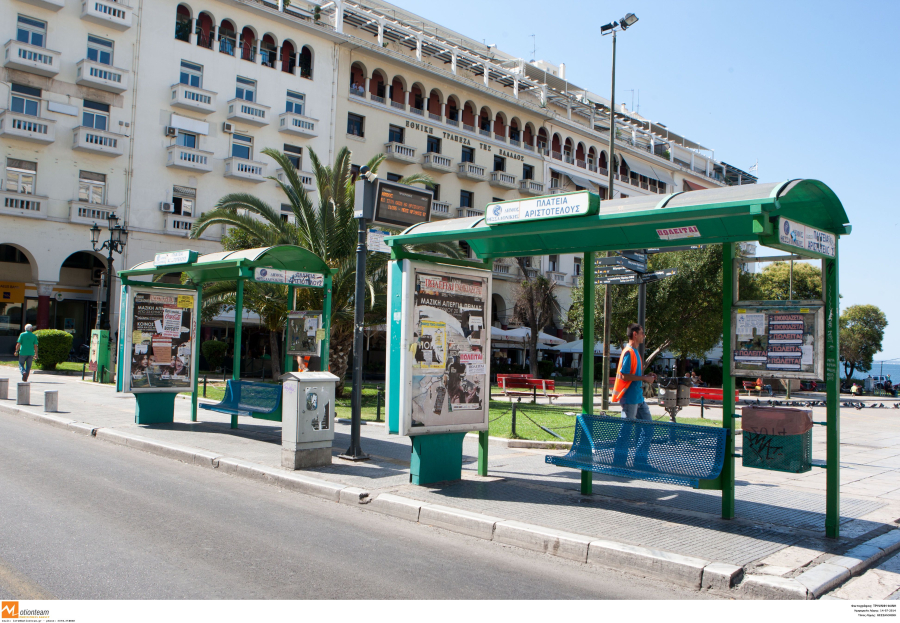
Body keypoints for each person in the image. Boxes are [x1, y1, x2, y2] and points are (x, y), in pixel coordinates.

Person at [612, 323, 657, 468]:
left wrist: (645, 376)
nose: (644, 335)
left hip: (637, 398)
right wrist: (644, 378)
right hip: (630, 398)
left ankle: (640, 461)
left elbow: (633, 375)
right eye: (642, 333)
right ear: (635, 334)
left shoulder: (635, 352)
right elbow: (624, 376)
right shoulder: (629, 352)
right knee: (626, 430)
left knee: (648, 428)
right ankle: (619, 463)